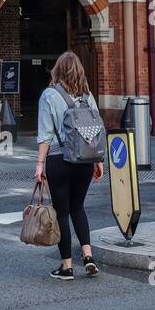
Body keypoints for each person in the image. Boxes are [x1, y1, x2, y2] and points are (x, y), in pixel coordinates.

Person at [34, 51, 104, 280]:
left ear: (57, 70)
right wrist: (98, 161)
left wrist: (39, 165)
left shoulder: (49, 95)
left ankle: (66, 266)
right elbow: (95, 129)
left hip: (59, 159)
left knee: (62, 212)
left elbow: (45, 134)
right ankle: (88, 256)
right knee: (79, 208)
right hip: (84, 160)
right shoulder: (87, 95)